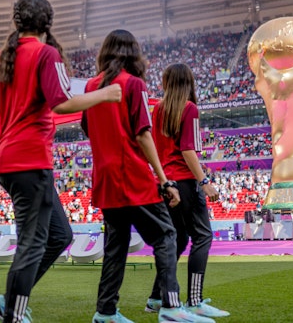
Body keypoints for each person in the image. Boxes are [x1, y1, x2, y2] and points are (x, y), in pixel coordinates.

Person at [0, 0, 122, 323]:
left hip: (9, 160)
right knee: (32, 242)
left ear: (17, 23)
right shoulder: (46, 53)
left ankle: (8, 302)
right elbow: (60, 104)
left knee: (60, 235)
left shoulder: (3, 58)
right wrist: (104, 94)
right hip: (29, 160)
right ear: (47, 23)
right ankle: (13, 313)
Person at [81, 30, 211, 323]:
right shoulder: (133, 84)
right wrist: (164, 180)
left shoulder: (92, 85)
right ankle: (170, 306)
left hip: (104, 178)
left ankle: (105, 312)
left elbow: (87, 129)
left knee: (115, 247)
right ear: (133, 54)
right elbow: (143, 134)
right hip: (132, 176)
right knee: (167, 236)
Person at [146, 63, 229, 319]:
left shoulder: (157, 109)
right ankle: (194, 301)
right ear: (189, 82)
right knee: (202, 237)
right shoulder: (189, 108)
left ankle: (156, 298)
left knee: (177, 240)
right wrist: (204, 181)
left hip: (166, 183)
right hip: (185, 182)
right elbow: (187, 149)